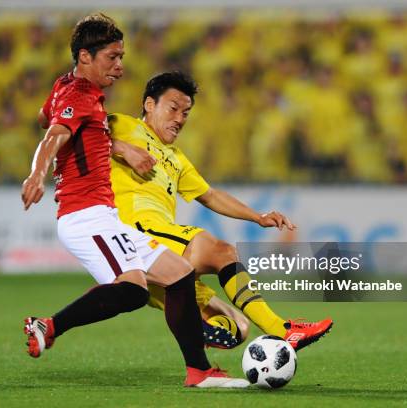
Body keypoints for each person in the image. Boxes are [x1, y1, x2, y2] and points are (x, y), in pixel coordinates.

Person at [20, 14, 248, 389]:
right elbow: (54, 133)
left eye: (121, 56)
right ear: (85, 56)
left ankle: (199, 372)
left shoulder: (70, 89)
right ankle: (49, 325)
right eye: (112, 57)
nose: (120, 66)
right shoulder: (77, 94)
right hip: (83, 215)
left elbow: (48, 116)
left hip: (105, 216)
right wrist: (37, 174)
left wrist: (113, 145)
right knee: (134, 291)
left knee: (178, 275)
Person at [109, 71, 333, 350]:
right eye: (174, 108)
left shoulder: (176, 158)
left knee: (237, 327)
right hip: (135, 232)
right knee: (221, 251)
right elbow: (80, 134)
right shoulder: (122, 124)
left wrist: (257, 216)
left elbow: (211, 196)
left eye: (186, 113)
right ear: (149, 104)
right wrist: (122, 148)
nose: (180, 119)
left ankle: (197, 358)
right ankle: (283, 330)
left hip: (159, 252)